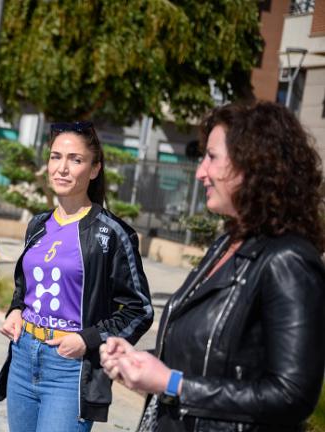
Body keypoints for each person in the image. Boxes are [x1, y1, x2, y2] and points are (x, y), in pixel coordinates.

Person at [100, 102, 325, 432]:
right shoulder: (227, 242)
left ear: (254, 165)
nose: (200, 171)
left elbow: (292, 395)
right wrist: (140, 362)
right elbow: (206, 357)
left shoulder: (288, 260)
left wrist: (173, 383)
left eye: (212, 157)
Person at [0, 121, 154, 431]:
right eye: (55, 157)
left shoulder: (112, 233)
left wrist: (87, 339)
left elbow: (140, 310)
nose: (62, 168)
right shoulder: (38, 224)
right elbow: (24, 285)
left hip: (70, 368)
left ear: (94, 169)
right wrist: (15, 309)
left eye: (75, 160)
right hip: (23, 356)